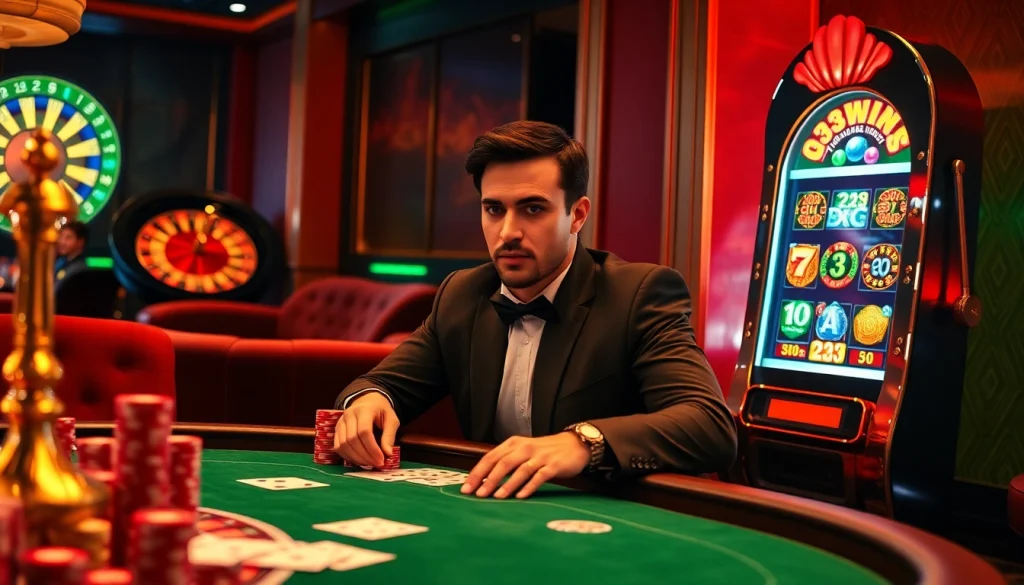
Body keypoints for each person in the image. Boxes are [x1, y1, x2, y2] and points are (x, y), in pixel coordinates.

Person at [333, 120, 736, 499]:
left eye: (532, 209)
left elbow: (709, 426)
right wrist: (368, 401)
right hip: (498, 516)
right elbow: (378, 385)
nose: (508, 232)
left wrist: (584, 442)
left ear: (576, 215)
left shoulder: (638, 295)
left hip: (613, 524)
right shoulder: (462, 294)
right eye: (494, 209)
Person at [55, 220, 89, 287]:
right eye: (61, 236)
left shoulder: (80, 270)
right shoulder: (60, 262)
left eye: (68, 238)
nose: (62, 242)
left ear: (80, 242)